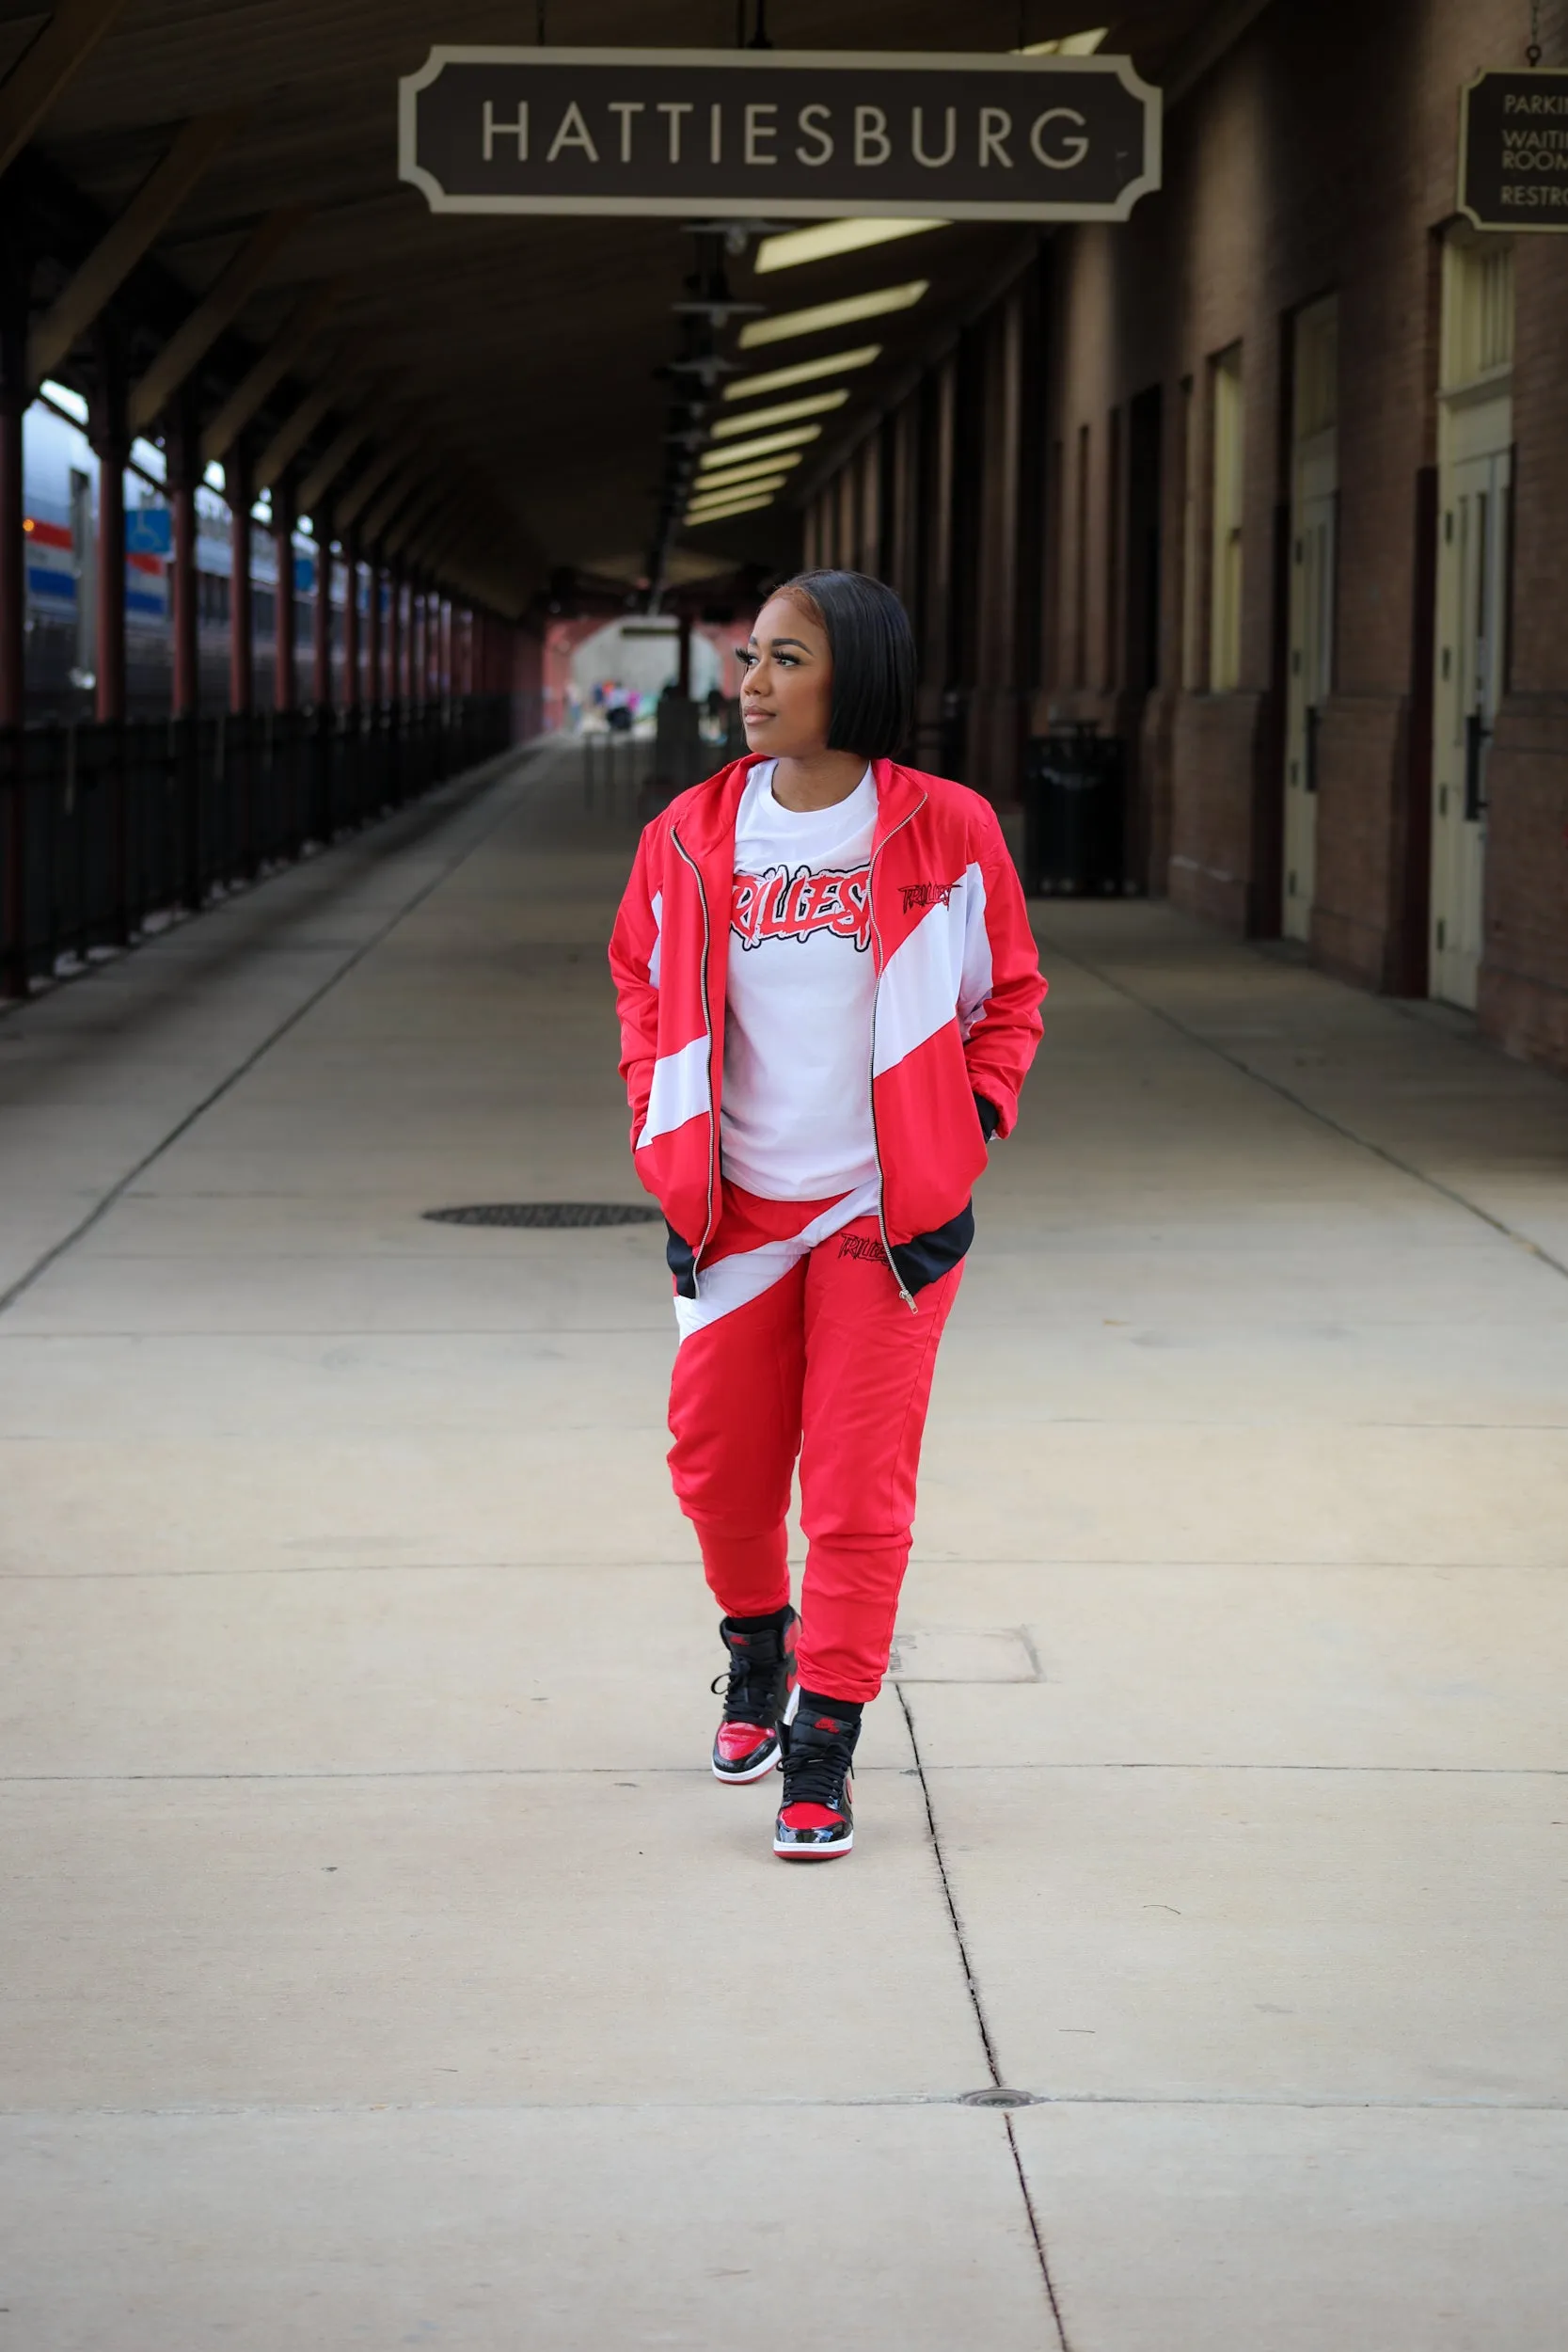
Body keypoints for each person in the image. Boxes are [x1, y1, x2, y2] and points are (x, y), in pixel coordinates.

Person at [609, 570, 1044, 1862]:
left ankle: (826, 1738)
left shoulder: (944, 830)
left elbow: (1006, 995)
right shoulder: (688, 833)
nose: (749, 683)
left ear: (850, 675)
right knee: (719, 1468)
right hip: (733, 1204)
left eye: (781, 659)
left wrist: (962, 1132)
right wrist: (656, 1119)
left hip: (881, 1211)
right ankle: (757, 1646)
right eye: (748, 657)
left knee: (856, 1495)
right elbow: (639, 980)